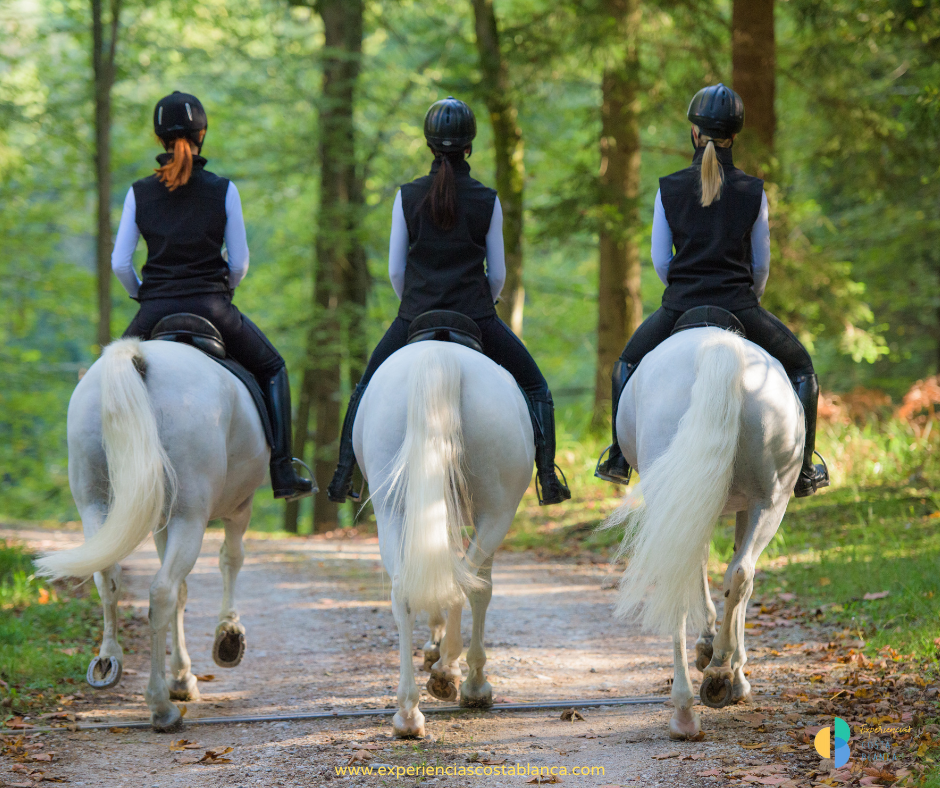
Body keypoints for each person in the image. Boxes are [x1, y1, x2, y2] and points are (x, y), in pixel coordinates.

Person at [327, 97, 571, 506]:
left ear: (429, 144)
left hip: (415, 316)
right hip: (475, 315)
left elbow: (395, 271)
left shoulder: (406, 197)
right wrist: (483, 306)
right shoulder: (487, 199)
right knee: (536, 387)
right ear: (469, 146)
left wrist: (414, 307)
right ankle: (548, 478)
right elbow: (498, 275)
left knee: (365, 388)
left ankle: (341, 477)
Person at [595, 83, 830, 498]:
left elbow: (660, 260)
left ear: (694, 132)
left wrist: (683, 289)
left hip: (680, 305)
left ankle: (617, 457)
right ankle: (806, 467)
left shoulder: (668, 188)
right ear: (733, 136)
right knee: (801, 368)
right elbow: (761, 265)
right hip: (740, 305)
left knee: (625, 367)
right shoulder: (752, 191)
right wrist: (747, 296)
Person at [112, 91, 313, 501]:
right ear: (202, 134)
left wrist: (144, 296)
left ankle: (106, 475)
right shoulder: (223, 190)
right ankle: (282, 471)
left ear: (159, 138)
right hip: (212, 307)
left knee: (106, 377)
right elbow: (238, 262)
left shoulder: (139, 192)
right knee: (274, 367)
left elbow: (120, 263)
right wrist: (224, 289)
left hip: (154, 311)